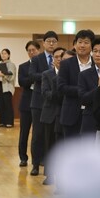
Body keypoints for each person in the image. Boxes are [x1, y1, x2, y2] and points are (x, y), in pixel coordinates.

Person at [29, 31, 59, 176]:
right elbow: (32, 75)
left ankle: (50, 164)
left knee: (52, 135)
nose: (51, 44)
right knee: (37, 134)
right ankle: (35, 164)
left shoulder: (61, 58)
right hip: (38, 102)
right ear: (43, 43)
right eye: (49, 41)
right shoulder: (37, 59)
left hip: (54, 103)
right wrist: (49, 74)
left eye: (54, 41)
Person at [58, 29, 95, 138]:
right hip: (71, 114)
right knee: (70, 150)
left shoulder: (96, 64)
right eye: (79, 42)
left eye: (86, 42)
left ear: (92, 46)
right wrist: (83, 91)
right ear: (74, 44)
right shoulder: (66, 64)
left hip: (91, 114)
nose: (82, 45)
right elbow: (61, 87)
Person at [40, 47, 66, 185]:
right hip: (50, 114)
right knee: (49, 145)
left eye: (62, 56)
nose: (59, 59)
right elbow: (46, 94)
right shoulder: (47, 74)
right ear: (53, 60)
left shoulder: (69, 75)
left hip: (64, 114)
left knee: (63, 145)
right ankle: (49, 175)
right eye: (57, 57)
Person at [78, 37, 100, 135]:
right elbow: (83, 99)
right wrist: (98, 89)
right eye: (95, 51)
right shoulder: (84, 74)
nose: (97, 54)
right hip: (90, 121)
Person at [17, 41, 40, 167]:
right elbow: (22, 82)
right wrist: (34, 77)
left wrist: (33, 78)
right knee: (24, 132)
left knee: (38, 133)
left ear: (38, 50)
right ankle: (23, 157)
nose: (31, 52)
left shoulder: (42, 65)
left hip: (38, 103)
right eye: (29, 50)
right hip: (26, 103)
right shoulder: (23, 66)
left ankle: (38, 158)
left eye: (34, 50)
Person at [0, 48, 16, 127]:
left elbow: (11, 77)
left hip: (8, 87)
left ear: (8, 55)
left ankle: (9, 122)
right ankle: (2, 122)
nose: (3, 55)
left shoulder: (11, 64)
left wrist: (4, 75)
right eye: (2, 53)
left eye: (5, 53)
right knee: (1, 104)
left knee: (7, 105)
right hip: (0, 86)